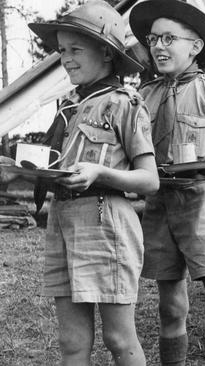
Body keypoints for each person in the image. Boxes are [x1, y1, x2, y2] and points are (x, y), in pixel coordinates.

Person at [20, 1, 159, 363]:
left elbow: (150, 180)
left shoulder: (124, 103)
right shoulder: (68, 106)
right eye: (62, 50)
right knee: (71, 341)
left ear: (107, 54)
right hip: (62, 220)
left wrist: (101, 174)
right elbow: (57, 168)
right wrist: (21, 170)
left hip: (106, 221)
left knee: (118, 337)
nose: (65, 59)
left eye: (75, 50)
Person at [129, 1, 205, 364]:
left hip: (202, 203)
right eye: (153, 39)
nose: (158, 46)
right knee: (170, 307)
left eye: (169, 38)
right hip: (159, 206)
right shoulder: (144, 95)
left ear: (195, 46)